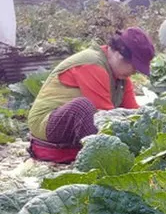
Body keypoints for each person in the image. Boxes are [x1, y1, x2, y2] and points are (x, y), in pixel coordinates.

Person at [27, 27, 155, 163]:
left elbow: (132, 112)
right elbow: (105, 116)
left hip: (72, 127)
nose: (135, 72)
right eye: (134, 66)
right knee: (83, 107)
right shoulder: (92, 64)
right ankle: (102, 161)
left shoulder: (122, 78)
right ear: (120, 53)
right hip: (46, 123)